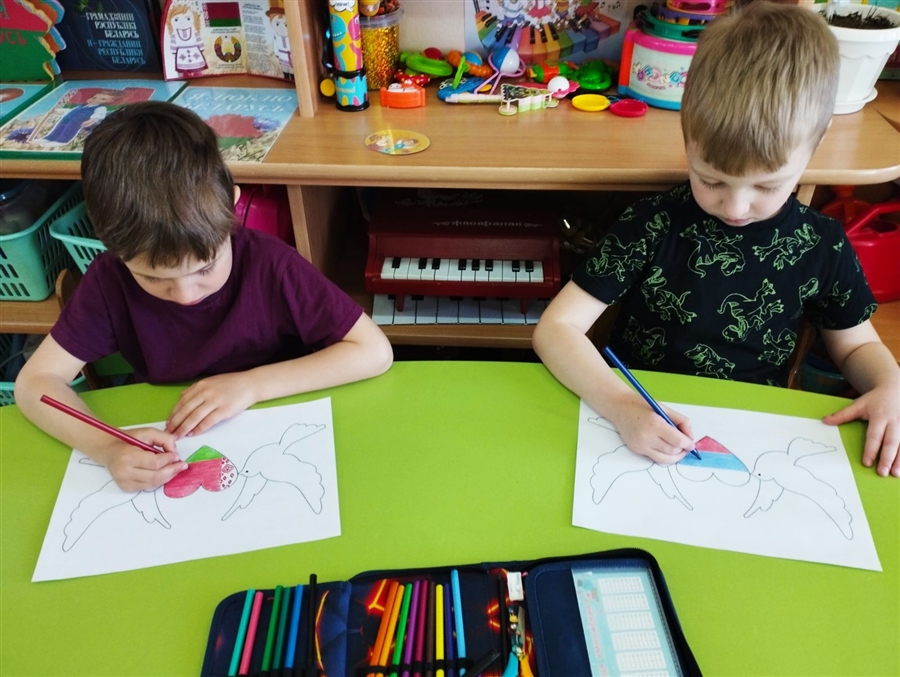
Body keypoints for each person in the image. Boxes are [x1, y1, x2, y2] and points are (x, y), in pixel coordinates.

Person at [533, 1, 899, 478]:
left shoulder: (822, 244)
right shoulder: (652, 223)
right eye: (711, 180)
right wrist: (621, 406)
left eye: (767, 186)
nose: (736, 207)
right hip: (637, 422)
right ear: (687, 135)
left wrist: (889, 383)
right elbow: (556, 329)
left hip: (752, 437)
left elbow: (854, 347)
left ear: (818, 139)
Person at [15, 101, 394, 492]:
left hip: (275, 424)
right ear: (110, 245)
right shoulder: (108, 281)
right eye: (152, 277)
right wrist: (108, 448)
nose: (184, 294)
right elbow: (34, 385)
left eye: (205, 268)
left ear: (231, 204)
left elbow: (374, 351)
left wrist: (252, 385)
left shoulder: (271, 265)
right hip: (173, 436)